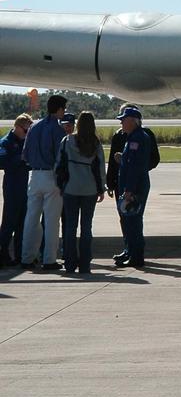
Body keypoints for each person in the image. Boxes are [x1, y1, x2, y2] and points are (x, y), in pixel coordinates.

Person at [106, 104, 159, 266]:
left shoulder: (137, 138)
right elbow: (131, 162)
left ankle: (136, 256)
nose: (121, 123)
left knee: (133, 221)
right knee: (129, 221)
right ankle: (132, 253)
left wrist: (129, 190)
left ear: (132, 121)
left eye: (124, 120)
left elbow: (136, 167)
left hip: (134, 187)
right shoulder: (132, 137)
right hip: (132, 185)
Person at [20, 94, 67, 270]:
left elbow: (25, 155)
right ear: (60, 109)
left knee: (31, 218)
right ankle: (49, 259)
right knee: (51, 220)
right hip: (50, 176)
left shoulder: (34, 126)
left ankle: (27, 257)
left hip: (34, 174)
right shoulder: (58, 129)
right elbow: (60, 156)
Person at [56, 111, 105, 275]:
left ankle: (69, 263)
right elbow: (100, 168)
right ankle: (85, 264)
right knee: (86, 228)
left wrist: (60, 185)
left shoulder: (68, 140)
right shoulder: (96, 143)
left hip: (71, 188)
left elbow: (59, 164)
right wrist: (101, 188)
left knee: (70, 227)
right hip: (89, 189)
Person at [0, 115, 32, 267]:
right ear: (18, 127)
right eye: (26, 130)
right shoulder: (6, 142)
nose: (27, 133)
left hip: (23, 185)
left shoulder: (24, 141)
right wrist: (21, 158)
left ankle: (20, 255)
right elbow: (3, 162)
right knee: (9, 222)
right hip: (12, 186)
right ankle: (2, 253)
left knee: (22, 223)